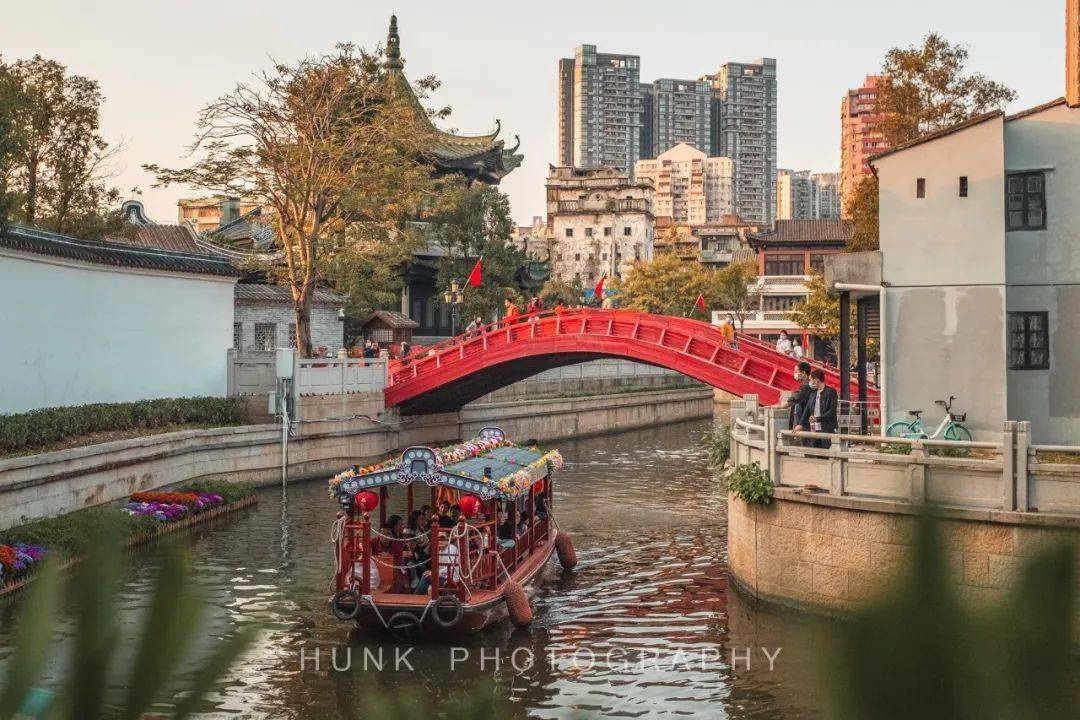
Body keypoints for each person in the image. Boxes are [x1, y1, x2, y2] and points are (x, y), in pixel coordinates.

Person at [804, 368, 839, 448]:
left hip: (827, 428)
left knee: (827, 451)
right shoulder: (813, 393)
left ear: (816, 380)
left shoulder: (831, 392)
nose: (810, 382)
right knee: (817, 453)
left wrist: (817, 419)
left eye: (811, 380)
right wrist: (800, 424)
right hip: (814, 428)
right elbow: (807, 409)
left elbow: (832, 411)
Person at [787, 361, 814, 442]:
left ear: (803, 373)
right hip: (803, 423)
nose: (795, 374)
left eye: (796, 372)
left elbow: (796, 399)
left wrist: (780, 406)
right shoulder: (804, 386)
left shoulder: (807, 387)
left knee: (808, 446)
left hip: (805, 424)